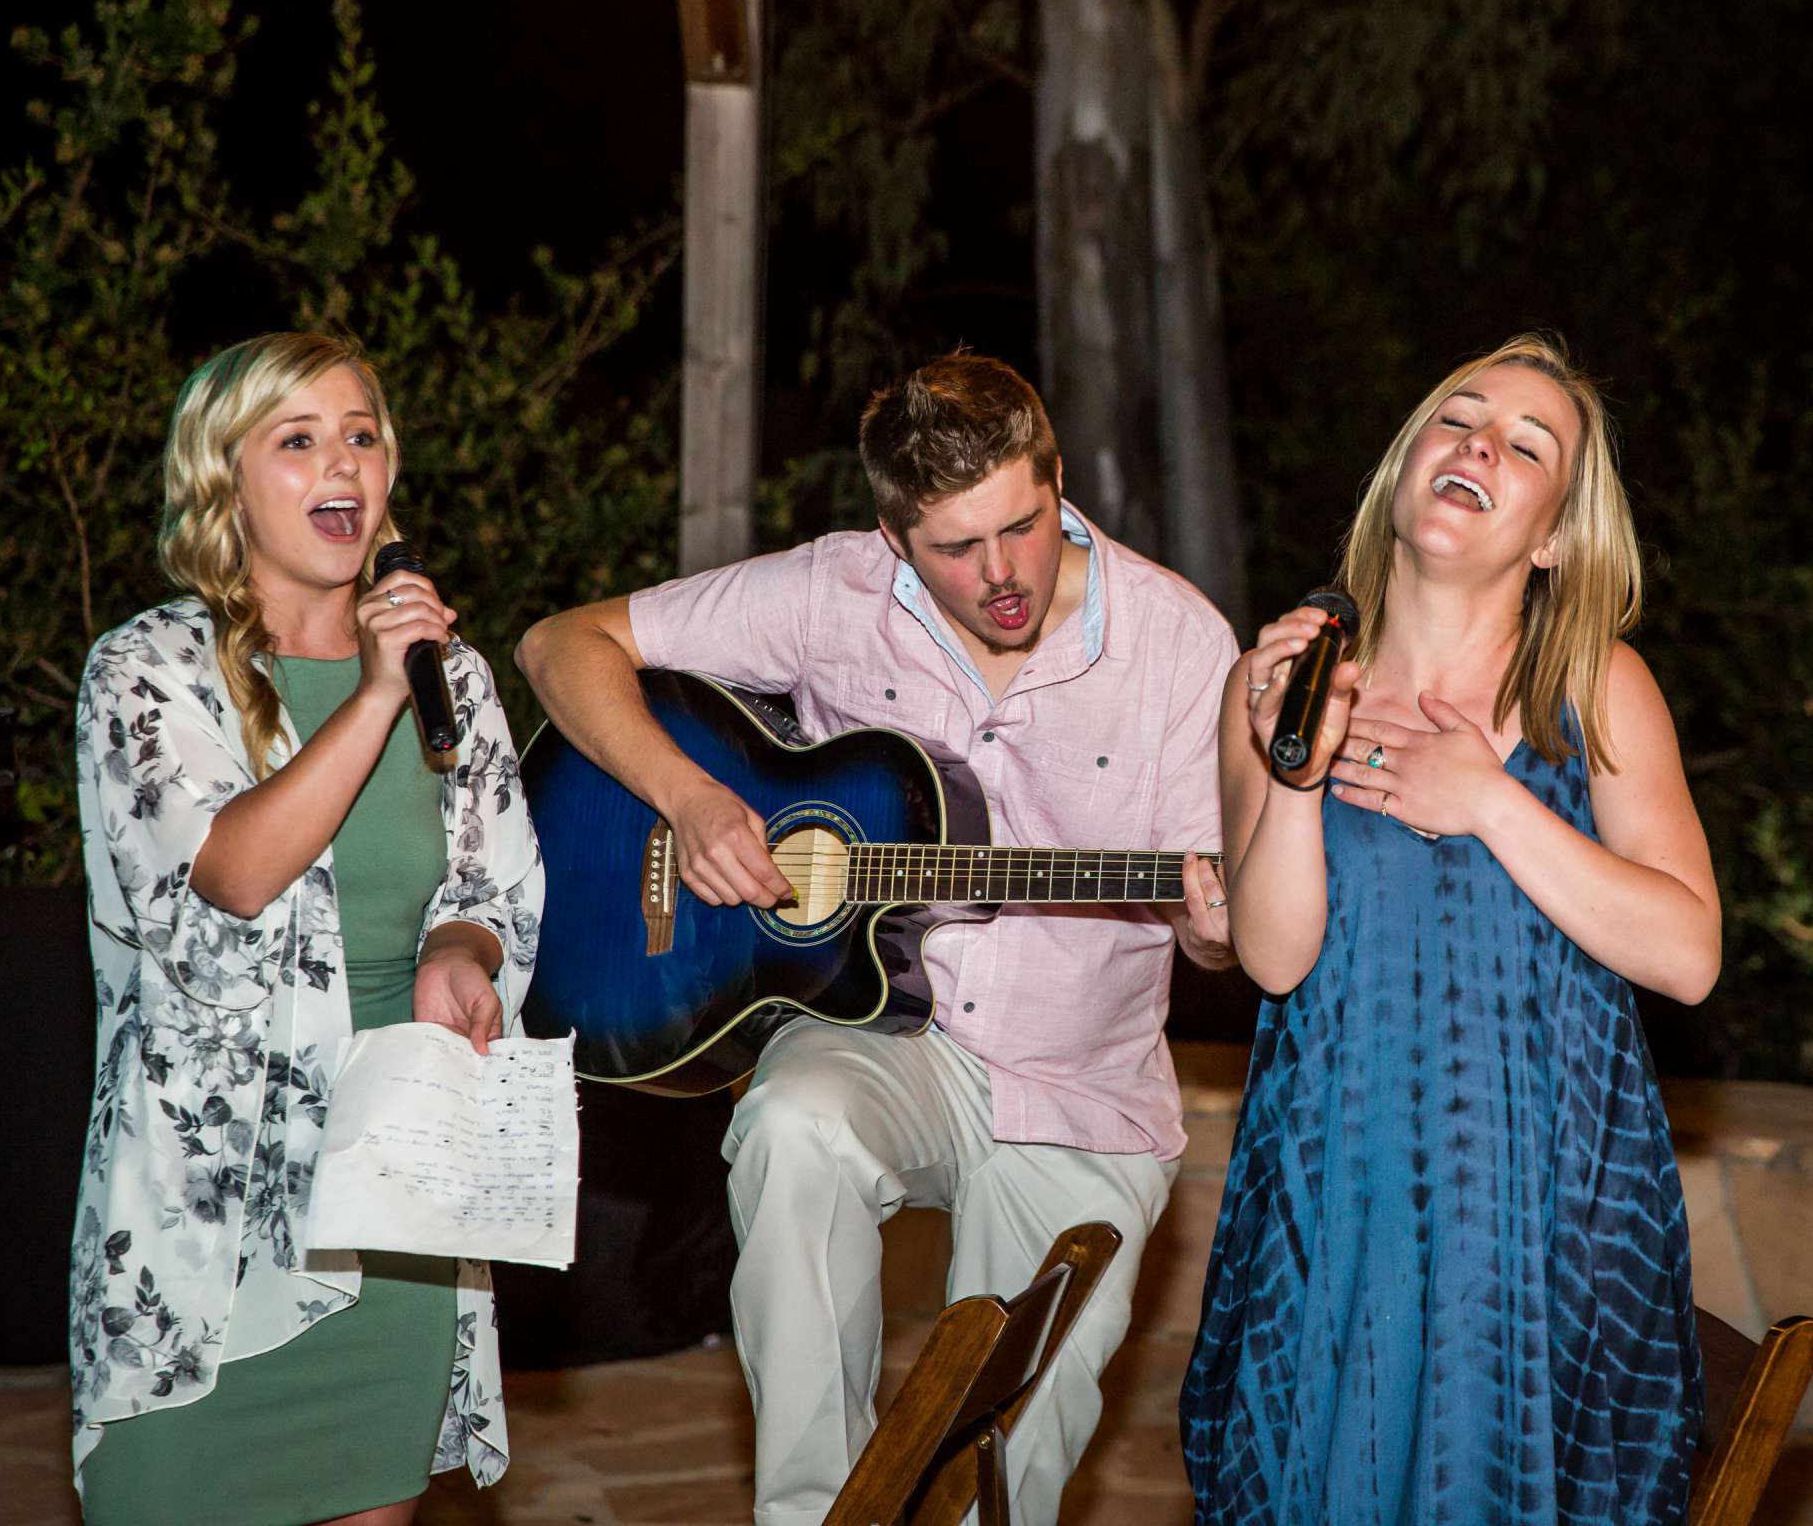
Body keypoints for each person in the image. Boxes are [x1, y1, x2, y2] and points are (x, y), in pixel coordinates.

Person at [517, 350, 1238, 1524]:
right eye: (958, 547)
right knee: (793, 1127)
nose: (1002, 574)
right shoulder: (831, 592)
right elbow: (562, 646)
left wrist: (1217, 933)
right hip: (883, 1031)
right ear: (895, 538)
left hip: (1082, 1087)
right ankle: (815, 1512)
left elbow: (1218, 932)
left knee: (997, 1475)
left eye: (1023, 525)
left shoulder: (1180, 647)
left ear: (1058, 481)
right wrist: (693, 797)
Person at [1179, 334, 1719, 1524]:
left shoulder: (1597, 688)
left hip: (1537, 1216)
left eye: (1527, 445)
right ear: (1406, 465)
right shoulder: (1276, 682)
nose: (1478, 443)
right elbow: (1272, 955)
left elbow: (1687, 954)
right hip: (1336, 1199)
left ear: (1555, 536)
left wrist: (1489, 801)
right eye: (1458, 419)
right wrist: (1295, 766)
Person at [67, 332, 544, 1526]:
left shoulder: (457, 678)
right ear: (225, 476)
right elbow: (229, 871)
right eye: (300, 438)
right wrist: (377, 690)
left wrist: (460, 949)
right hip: (204, 1207)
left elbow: (493, 881)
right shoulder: (147, 670)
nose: (343, 460)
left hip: (392, 1197)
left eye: (362, 434)